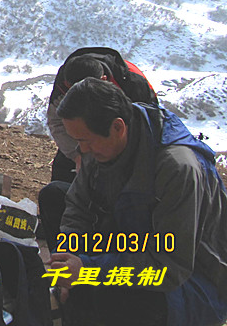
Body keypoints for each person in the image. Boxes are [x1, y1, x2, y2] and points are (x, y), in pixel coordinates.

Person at [49, 78, 227, 326]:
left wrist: (89, 271)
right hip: (131, 244)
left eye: (86, 141)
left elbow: (169, 267)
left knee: (107, 299)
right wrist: (69, 260)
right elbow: (78, 207)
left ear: (118, 128)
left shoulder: (177, 168)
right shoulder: (99, 144)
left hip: (188, 284)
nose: (83, 150)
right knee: (54, 197)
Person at [39, 47, 158, 247]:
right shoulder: (65, 80)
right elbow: (58, 122)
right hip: (87, 135)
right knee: (61, 188)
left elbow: (150, 127)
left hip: (124, 146)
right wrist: (77, 154)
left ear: (103, 80)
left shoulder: (133, 84)